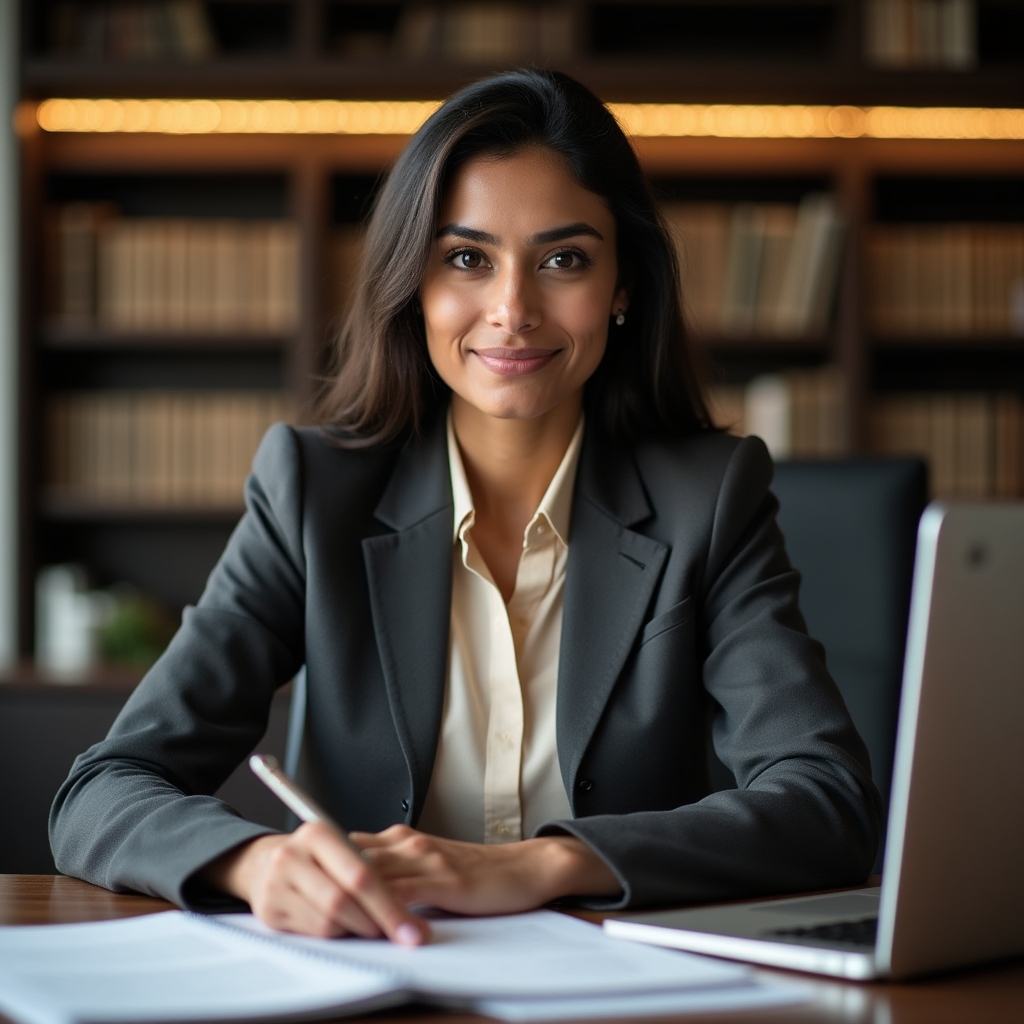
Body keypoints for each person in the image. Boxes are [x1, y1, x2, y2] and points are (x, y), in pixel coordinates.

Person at [50, 70, 882, 947]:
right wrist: (255, 865)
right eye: (466, 258)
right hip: (378, 968)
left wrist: (544, 864)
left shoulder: (708, 500)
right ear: (413, 282)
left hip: (614, 989)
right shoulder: (312, 492)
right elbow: (101, 791)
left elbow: (827, 801)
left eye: (563, 260)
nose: (512, 310)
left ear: (622, 286)